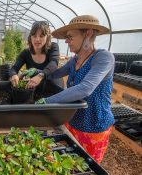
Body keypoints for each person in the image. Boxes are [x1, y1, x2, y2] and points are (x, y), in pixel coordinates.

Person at [35, 15, 115, 163]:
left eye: (70, 37)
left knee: (86, 166)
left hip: (94, 125)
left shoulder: (103, 57)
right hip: (72, 119)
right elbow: (55, 74)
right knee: (68, 163)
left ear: (88, 33)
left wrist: (47, 101)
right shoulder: (75, 60)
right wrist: (38, 72)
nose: (66, 41)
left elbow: (85, 88)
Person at [9, 21, 61, 90]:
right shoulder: (25, 53)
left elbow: (54, 63)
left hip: (54, 86)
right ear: (30, 37)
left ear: (47, 37)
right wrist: (13, 75)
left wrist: (40, 75)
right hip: (37, 89)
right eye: (34, 36)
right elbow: (14, 68)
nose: (37, 39)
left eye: (41, 36)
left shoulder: (53, 47)